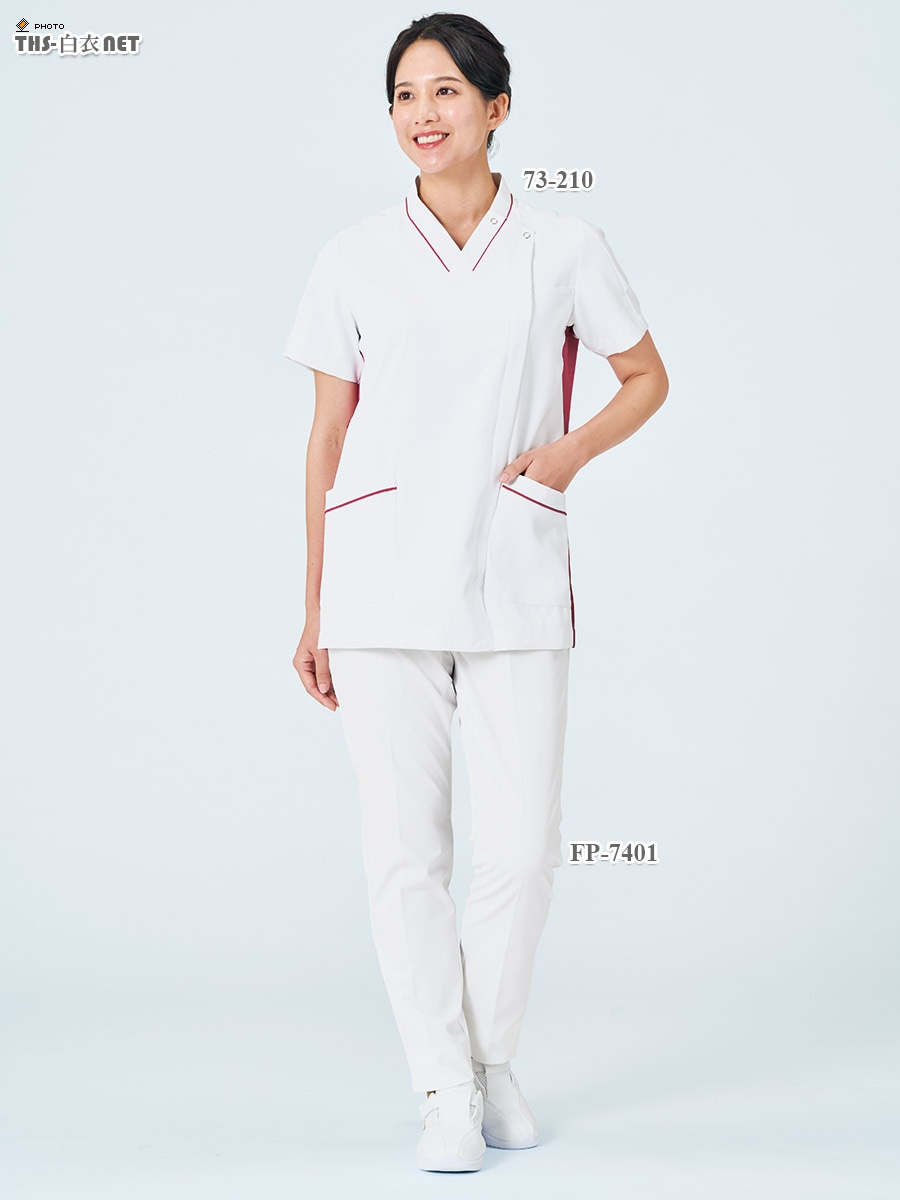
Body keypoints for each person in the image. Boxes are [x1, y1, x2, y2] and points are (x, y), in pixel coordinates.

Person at [283, 12, 668, 1173]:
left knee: (522, 849)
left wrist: (564, 459)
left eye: (447, 91)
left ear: (497, 109)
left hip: (512, 570)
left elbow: (645, 377)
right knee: (407, 856)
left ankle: (493, 1059)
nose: (424, 114)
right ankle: (445, 1088)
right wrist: (314, 606)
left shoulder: (564, 245)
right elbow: (327, 435)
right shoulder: (353, 257)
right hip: (379, 583)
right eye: (405, 95)